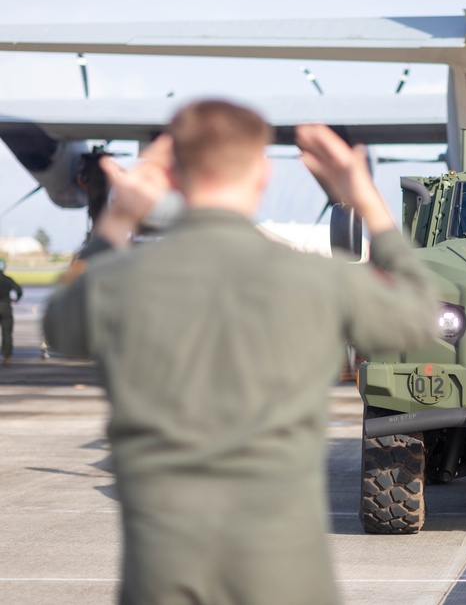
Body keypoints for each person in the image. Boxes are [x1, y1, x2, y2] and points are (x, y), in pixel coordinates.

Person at [44, 100, 438, 605]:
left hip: (162, 569)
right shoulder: (318, 280)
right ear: (262, 173)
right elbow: (420, 314)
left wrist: (119, 215)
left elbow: (61, 327)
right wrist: (364, 196)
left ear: (173, 178)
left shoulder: (117, 281)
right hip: (282, 572)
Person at [0, 258, 23, 366]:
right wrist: (16, 299)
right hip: (6, 307)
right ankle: (7, 356)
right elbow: (19, 290)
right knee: (7, 333)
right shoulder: (8, 280)